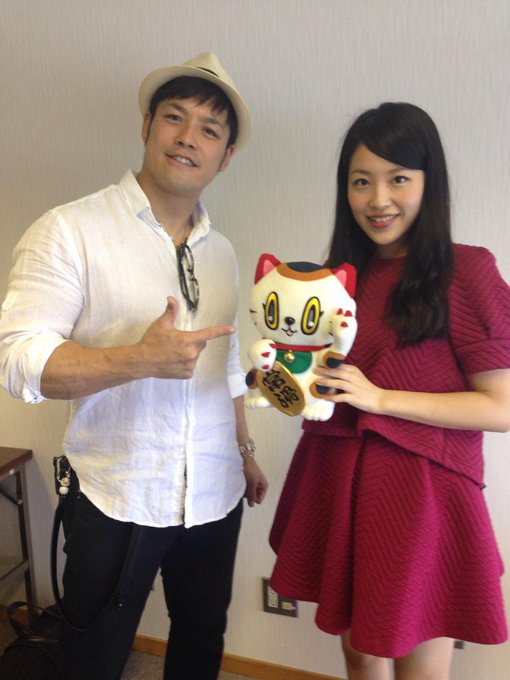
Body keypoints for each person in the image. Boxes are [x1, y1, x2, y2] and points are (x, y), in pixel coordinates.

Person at [0, 52, 267, 680]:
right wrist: (137, 360)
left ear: (226, 155)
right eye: (175, 117)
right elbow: (17, 359)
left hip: (215, 491)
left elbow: (225, 362)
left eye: (209, 129)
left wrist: (244, 450)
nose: (188, 137)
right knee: (94, 656)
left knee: (201, 638)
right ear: (147, 125)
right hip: (115, 495)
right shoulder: (70, 229)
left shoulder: (223, 252)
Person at [269, 102, 510, 680]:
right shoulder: (331, 280)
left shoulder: (467, 271)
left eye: (398, 179)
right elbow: (320, 388)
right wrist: (281, 381)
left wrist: (379, 398)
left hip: (422, 499)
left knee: (417, 662)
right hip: (337, 481)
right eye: (361, 182)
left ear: (429, 182)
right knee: (359, 653)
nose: (378, 199)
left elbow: (501, 407)